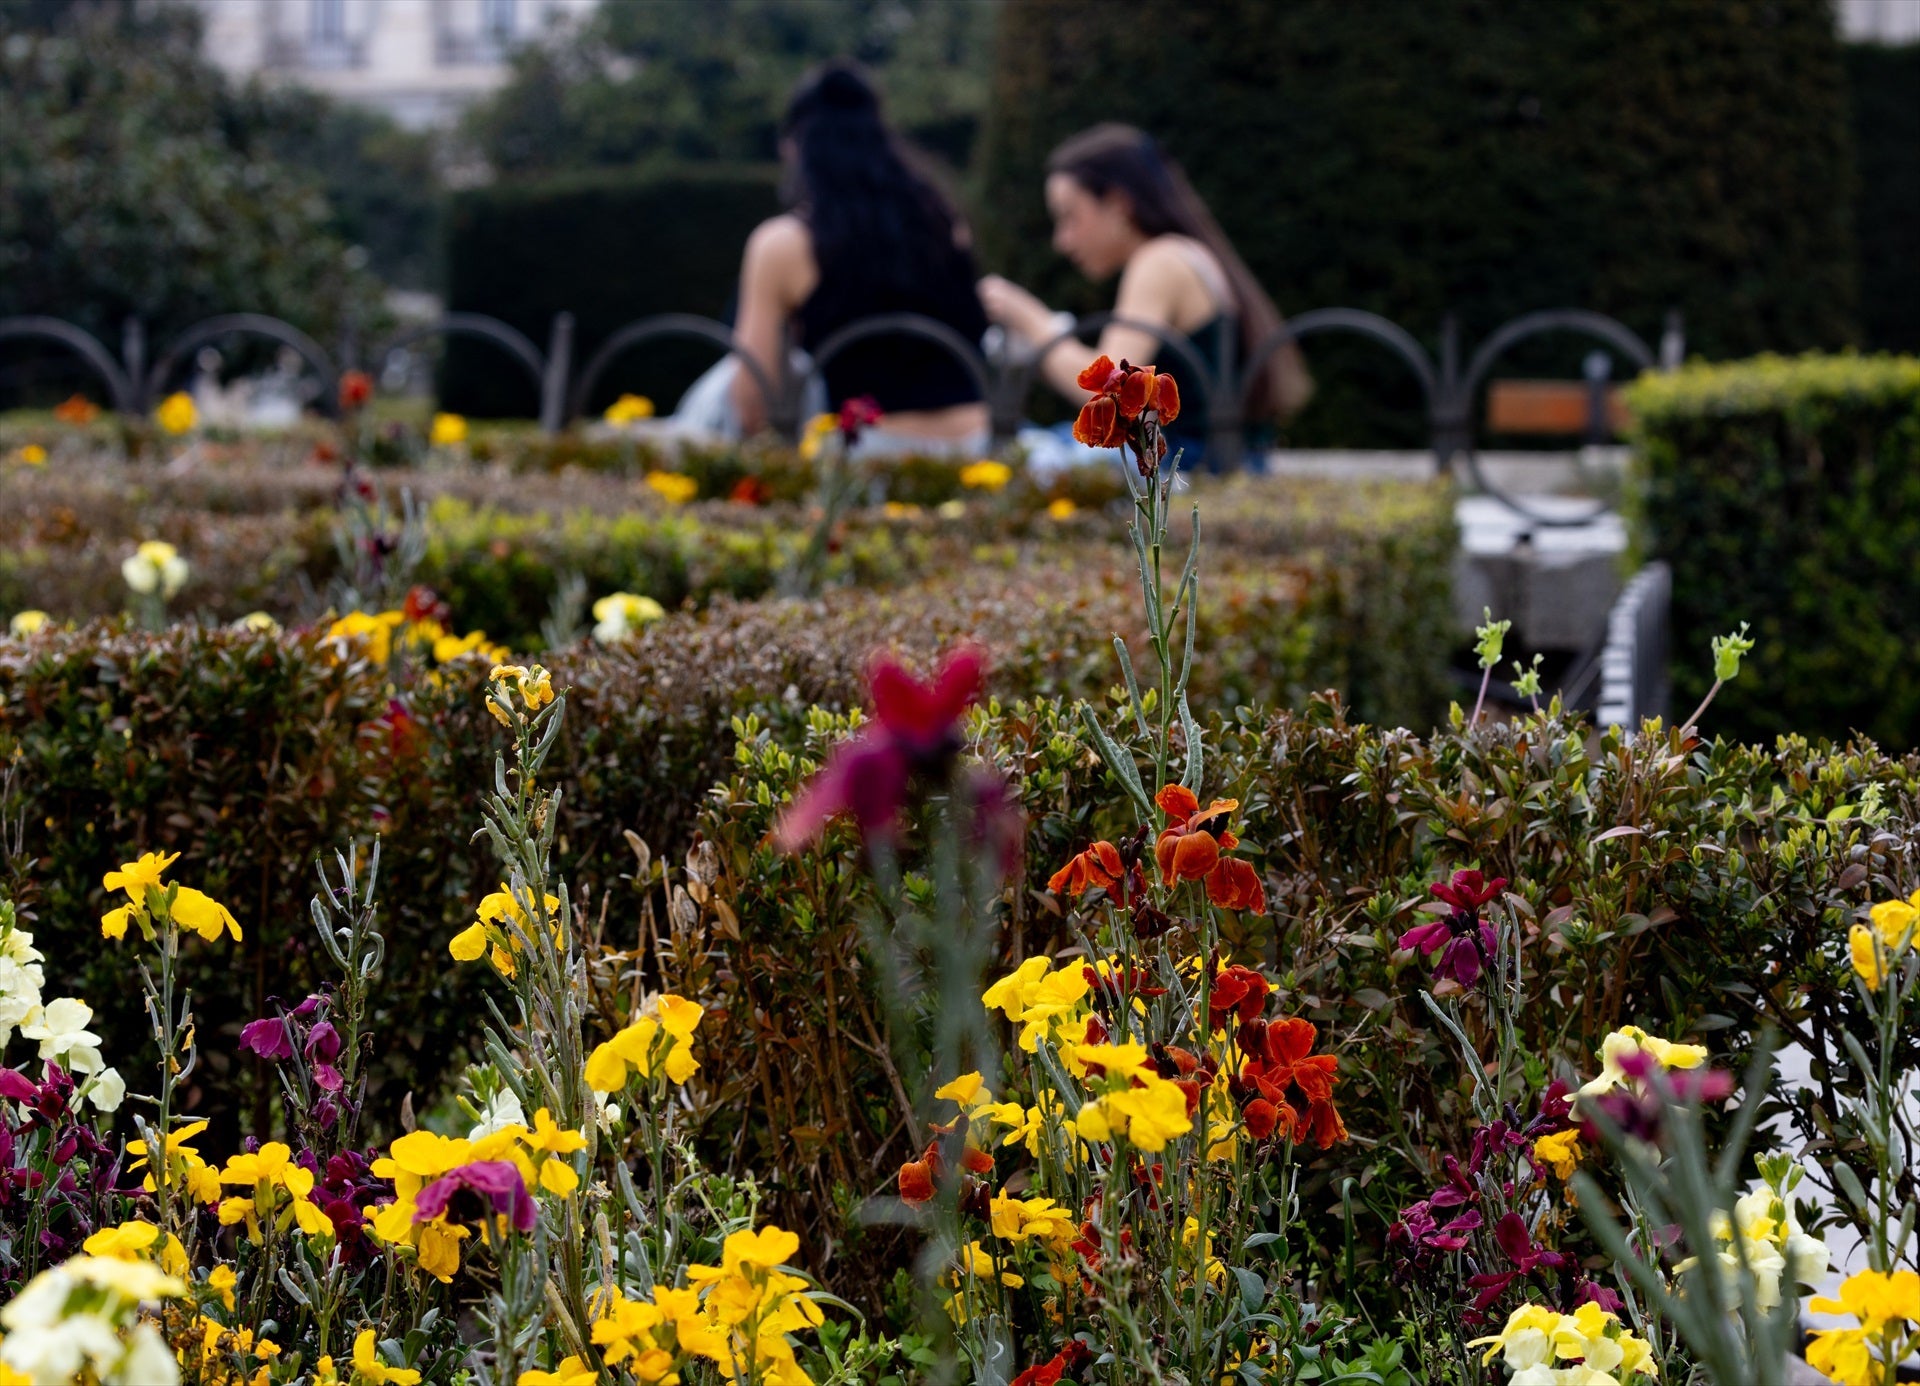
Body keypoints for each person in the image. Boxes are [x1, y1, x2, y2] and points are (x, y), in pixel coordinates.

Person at [980, 123, 1311, 460]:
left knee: (1011, 454)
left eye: (1070, 216)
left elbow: (1111, 395)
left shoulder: (1159, 261)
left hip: (1184, 469)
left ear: (1118, 204)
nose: (1061, 241)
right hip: (1210, 460)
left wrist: (1035, 324)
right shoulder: (1184, 253)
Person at [723, 61, 990, 454]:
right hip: (979, 446)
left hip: (866, 453)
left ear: (796, 148)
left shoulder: (784, 244)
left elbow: (751, 400)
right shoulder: (945, 223)